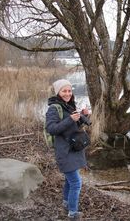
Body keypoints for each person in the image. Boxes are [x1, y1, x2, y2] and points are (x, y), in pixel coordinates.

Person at [45, 79, 89, 220]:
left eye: (69, 90)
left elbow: (77, 124)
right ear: (58, 92)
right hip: (64, 151)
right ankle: (72, 213)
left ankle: (66, 202)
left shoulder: (69, 105)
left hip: (73, 149)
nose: (68, 93)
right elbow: (51, 129)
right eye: (64, 91)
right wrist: (70, 119)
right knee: (76, 183)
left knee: (70, 181)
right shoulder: (54, 108)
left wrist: (84, 115)